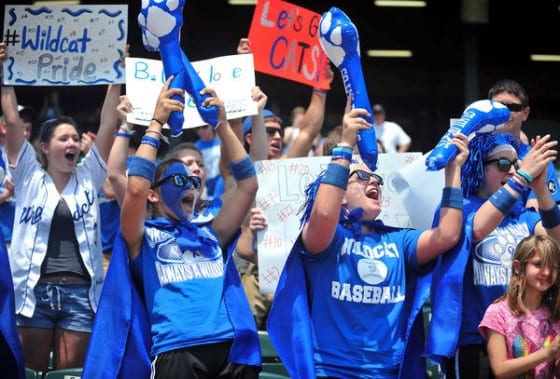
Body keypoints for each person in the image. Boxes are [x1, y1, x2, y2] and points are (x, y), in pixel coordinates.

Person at [266, 97, 469, 378]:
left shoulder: (398, 241)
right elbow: (324, 214)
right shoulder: (327, 238)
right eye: (361, 175)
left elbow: (447, 235)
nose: (373, 181)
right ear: (340, 196)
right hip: (332, 371)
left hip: (390, 371)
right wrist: (345, 146)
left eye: (377, 179)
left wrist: (454, 171)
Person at [85, 79, 261, 378]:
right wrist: (155, 123)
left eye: (194, 182)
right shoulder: (141, 237)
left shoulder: (210, 232)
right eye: (179, 181)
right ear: (155, 194)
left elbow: (248, 183)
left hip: (233, 350)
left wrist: (221, 125)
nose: (191, 186)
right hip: (177, 351)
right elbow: (135, 189)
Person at [0, 41, 117, 373]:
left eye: (76, 138)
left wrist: (116, 75)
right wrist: (4, 76)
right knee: (32, 374)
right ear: (43, 146)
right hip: (33, 294)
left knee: (68, 377)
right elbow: (10, 119)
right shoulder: (26, 176)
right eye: (63, 138)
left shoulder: (90, 175)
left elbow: (108, 125)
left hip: (80, 296)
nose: (72, 143)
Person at [427, 131, 560, 378]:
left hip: (524, 339)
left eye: (515, 164)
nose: (511, 170)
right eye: (502, 164)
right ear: (478, 165)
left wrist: (541, 191)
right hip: (473, 339)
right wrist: (521, 177)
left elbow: (556, 240)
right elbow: (477, 228)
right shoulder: (459, 209)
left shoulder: (522, 216)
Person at [478, 234, 560, 378]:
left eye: (553, 267)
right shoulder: (497, 312)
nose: (546, 272)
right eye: (538, 264)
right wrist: (547, 353)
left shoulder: (556, 313)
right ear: (518, 267)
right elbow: (500, 370)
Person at [488, 79, 560, 208]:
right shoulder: (474, 154)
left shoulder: (538, 160)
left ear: (525, 113)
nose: (505, 112)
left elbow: (537, 215)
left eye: (512, 107)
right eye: (498, 106)